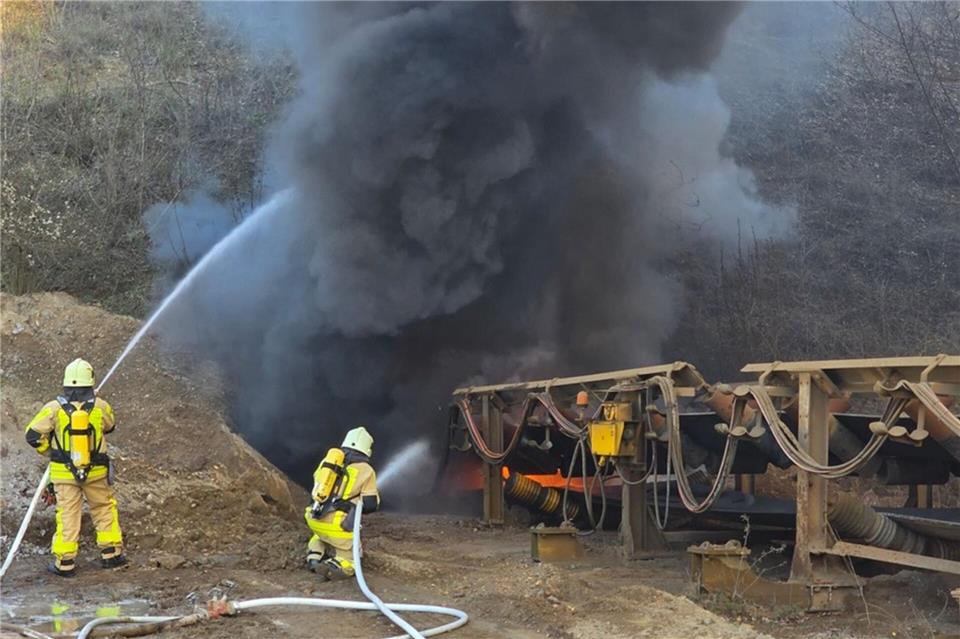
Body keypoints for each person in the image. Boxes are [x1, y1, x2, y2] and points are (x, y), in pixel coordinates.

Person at [24, 358, 126, 577]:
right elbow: (111, 425)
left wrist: (49, 451)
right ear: (90, 382)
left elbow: (32, 435)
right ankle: (111, 554)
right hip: (96, 471)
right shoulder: (100, 406)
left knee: (67, 514)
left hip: (63, 473)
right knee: (103, 508)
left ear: (66, 383)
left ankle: (65, 562)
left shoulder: (53, 408)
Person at [304, 426, 380, 581]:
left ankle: (314, 556)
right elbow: (370, 504)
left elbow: (317, 485)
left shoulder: (328, 462)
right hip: (338, 526)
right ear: (368, 450)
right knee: (351, 553)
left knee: (320, 536)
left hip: (313, 517)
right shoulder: (366, 470)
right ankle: (337, 565)